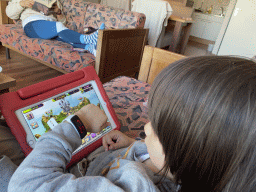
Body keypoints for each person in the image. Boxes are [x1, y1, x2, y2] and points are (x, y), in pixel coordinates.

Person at [3, 55, 256, 192]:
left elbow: (26, 185)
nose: (146, 128)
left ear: (186, 153)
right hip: (98, 163)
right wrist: (135, 145)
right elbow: (170, 163)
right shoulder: (193, 173)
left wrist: (77, 125)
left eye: (157, 128)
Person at [5, 0, 105, 56]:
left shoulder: (54, 1)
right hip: (32, 25)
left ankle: (90, 48)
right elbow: (10, 13)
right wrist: (21, 4)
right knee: (58, 27)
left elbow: (63, 23)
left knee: (64, 37)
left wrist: (58, 12)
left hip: (50, 26)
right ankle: (87, 38)